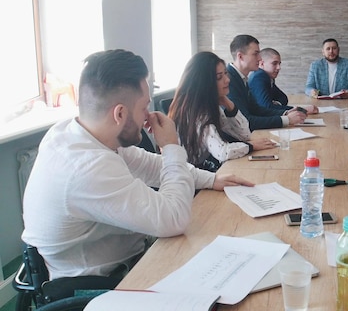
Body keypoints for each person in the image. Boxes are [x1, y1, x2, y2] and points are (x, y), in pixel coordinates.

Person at [20, 49, 253, 280]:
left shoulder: (79, 134)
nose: (147, 115)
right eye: (143, 107)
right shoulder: (86, 167)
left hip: (131, 257)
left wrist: (212, 179)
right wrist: (171, 147)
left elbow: (149, 165)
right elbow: (173, 219)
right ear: (119, 114)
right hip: (106, 282)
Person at [169, 51, 276, 171]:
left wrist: (228, 104)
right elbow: (222, 152)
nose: (227, 80)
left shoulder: (211, 104)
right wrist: (251, 146)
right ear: (204, 82)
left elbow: (245, 134)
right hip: (186, 176)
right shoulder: (199, 112)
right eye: (219, 77)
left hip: (199, 170)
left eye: (226, 74)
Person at [227, 35, 307, 131]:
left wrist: (286, 113)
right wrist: (286, 120)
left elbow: (256, 110)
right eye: (256, 54)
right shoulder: (228, 79)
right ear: (240, 56)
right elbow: (245, 121)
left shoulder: (241, 77)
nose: (260, 58)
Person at [249, 48, 318, 114]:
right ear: (261, 64)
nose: (279, 67)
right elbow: (267, 107)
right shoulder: (259, 77)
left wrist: (275, 104)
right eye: (274, 63)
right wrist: (302, 110)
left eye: (279, 63)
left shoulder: (268, 77)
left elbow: (283, 98)